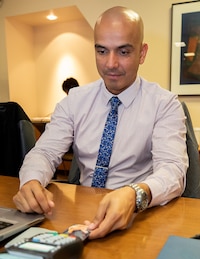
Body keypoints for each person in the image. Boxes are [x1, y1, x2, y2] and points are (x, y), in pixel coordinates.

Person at [13, 6, 188, 240]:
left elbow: (173, 170)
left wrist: (135, 194)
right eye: (102, 51)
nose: (110, 64)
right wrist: (31, 181)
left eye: (123, 52)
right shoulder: (74, 101)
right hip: (79, 216)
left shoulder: (164, 104)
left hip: (138, 220)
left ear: (142, 53)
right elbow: (44, 152)